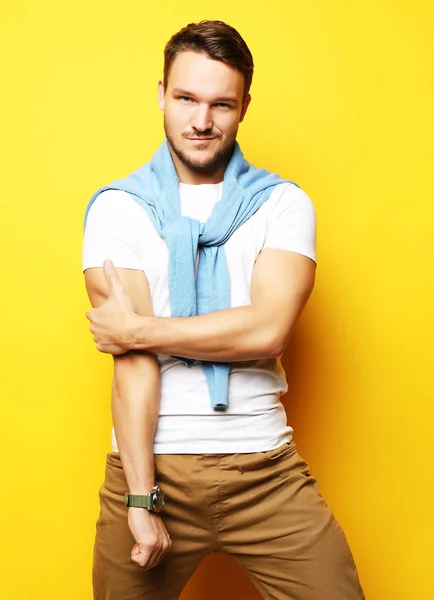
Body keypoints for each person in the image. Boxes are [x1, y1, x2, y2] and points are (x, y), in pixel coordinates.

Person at [83, 20, 365, 600]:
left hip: (264, 467)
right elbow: (130, 364)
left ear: (244, 107)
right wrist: (140, 498)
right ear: (161, 92)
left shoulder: (282, 204)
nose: (201, 120)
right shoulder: (118, 209)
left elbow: (267, 329)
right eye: (186, 98)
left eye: (221, 104)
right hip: (150, 468)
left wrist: (140, 329)